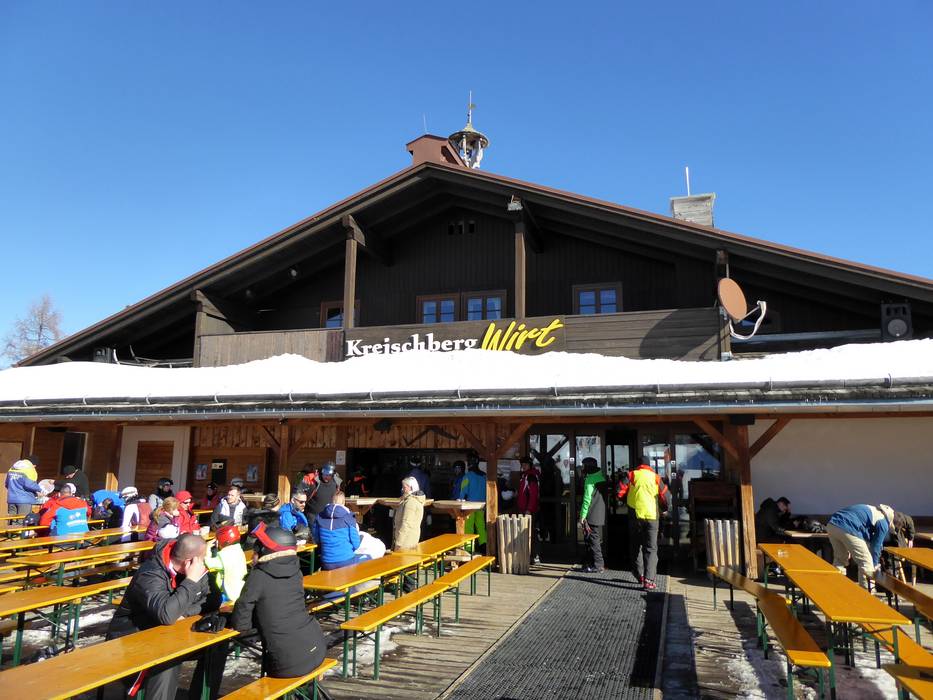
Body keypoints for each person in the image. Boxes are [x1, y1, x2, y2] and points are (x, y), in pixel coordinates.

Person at [107, 533, 226, 699]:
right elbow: (167, 615)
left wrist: (183, 613)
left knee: (217, 644)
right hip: (131, 638)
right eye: (203, 557)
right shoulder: (150, 574)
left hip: (169, 633)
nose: (205, 560)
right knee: (169, 658)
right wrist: (191, 581)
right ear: (189, 561)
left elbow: (214, 599)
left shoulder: (195, 567)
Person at [230, 524, 327, 678]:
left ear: (265, 552)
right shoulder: (296, 570)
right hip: (316, 646)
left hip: (287, 661)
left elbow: (242, 614)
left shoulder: (259, 576)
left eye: (256, 550)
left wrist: (242, 626)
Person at [617, 454, 670, 589]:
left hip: (635, 516)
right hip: (652, 517)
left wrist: (627, 502)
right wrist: (664, 509)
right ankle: (649, 580)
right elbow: (665, 496)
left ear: (638, 465)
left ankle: (639, 574)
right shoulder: (656, 477)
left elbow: (619, 491)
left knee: (636, 546)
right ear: (649, 465)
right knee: (651, 548)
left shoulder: (631, 475)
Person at [826, 503, 894, 586]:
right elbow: (876, 547)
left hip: (832, 525)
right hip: (848, 527)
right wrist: (875, 565)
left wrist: (849, 546)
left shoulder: (870, 510)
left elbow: (862, 535)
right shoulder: (883, 521)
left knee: (840, 559)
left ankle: (836, 587)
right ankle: (867, 591)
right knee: (866, 562)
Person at [311, 491, 361, 570]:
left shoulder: (319, 516)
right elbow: (356, 544)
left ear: (332, 501)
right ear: (344, 502)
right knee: (367, 557)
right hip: (346, 561)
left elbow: (316, 539)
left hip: (326, 562)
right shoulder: (349, 517)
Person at [579, 457, 609, 575]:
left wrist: (582, 515)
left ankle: (598, 565)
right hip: (600, 513)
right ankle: (592, 563)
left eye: (583, 466)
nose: (582, 468)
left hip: (591, 514)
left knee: (593, 540)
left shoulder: (590, 479)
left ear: (588, 466)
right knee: (594, 538)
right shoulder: (601, 477)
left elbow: (587, 499)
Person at [205, 524, 248, 603]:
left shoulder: (225, 556)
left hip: (229, 592)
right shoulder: (238, 550)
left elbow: (209, 564)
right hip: (239, 586)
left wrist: (207, 548)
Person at [457, 459, 487, 551]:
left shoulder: (467, 476)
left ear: (469, 465)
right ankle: (483, 546)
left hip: (469, 506)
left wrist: (460, 502)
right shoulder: (484, 476)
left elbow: (463, 490)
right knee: (481, 526)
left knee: (468, 527)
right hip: (481, 505)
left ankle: (469, 549)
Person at [517, 457, 541, 564]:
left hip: (529, 510)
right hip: (524, 509)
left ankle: (535, 555)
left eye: (525, 464)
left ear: (530, 465)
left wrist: (529, 509)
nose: (523, 466)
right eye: (522, 464)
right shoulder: (525, 476)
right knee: (527, 532)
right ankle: (528, 555)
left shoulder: (531, 476)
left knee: (532, 532)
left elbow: (533, 494)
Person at [393, 476, 425, 552]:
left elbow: (406, 523)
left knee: (403, 559)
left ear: (411, 487)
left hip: (406, 541)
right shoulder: (413, 500)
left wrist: (399, 542)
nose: (402, 489)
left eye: (404, 487)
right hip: (411, 537)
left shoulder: (410, 502)